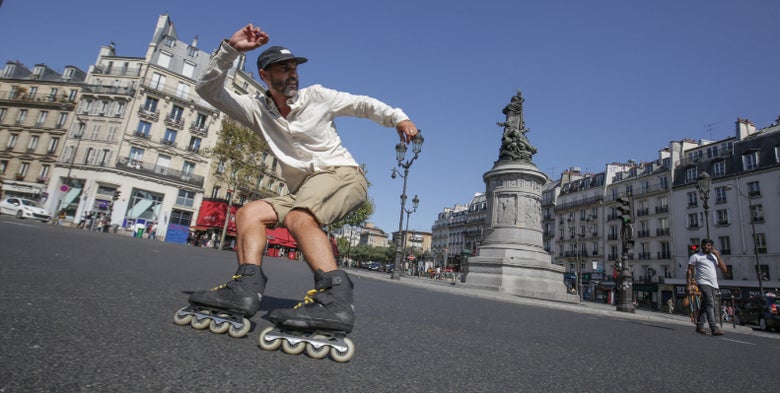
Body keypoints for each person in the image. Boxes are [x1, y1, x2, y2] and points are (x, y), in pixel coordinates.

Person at [189, 23, 419, 334]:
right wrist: (230, 51)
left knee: (300, 217)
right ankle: (245, 288)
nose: (293, 74)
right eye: (284, 69)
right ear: (265, 75)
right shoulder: (255, 109)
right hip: (303, 190)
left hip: (342, 174)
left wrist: (397, 118)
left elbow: (362, 104)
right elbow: (208, 89)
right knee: (250, 214)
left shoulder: (318, 96)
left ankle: (334, 301)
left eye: (294, 68)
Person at [687, 239, 728, 336]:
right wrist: (689, 284)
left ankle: (699, 326)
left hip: (714, 284)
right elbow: (689, 270)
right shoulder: (695, 256)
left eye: (708, 245)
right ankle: (714, 327)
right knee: (710, 303)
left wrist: (717, 255)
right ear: (701, 246)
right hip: (702, 283)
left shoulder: (714, 257)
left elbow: (724, 269)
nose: (706, 247)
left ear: (712, 247)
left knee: (705, 305)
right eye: (704, 245)